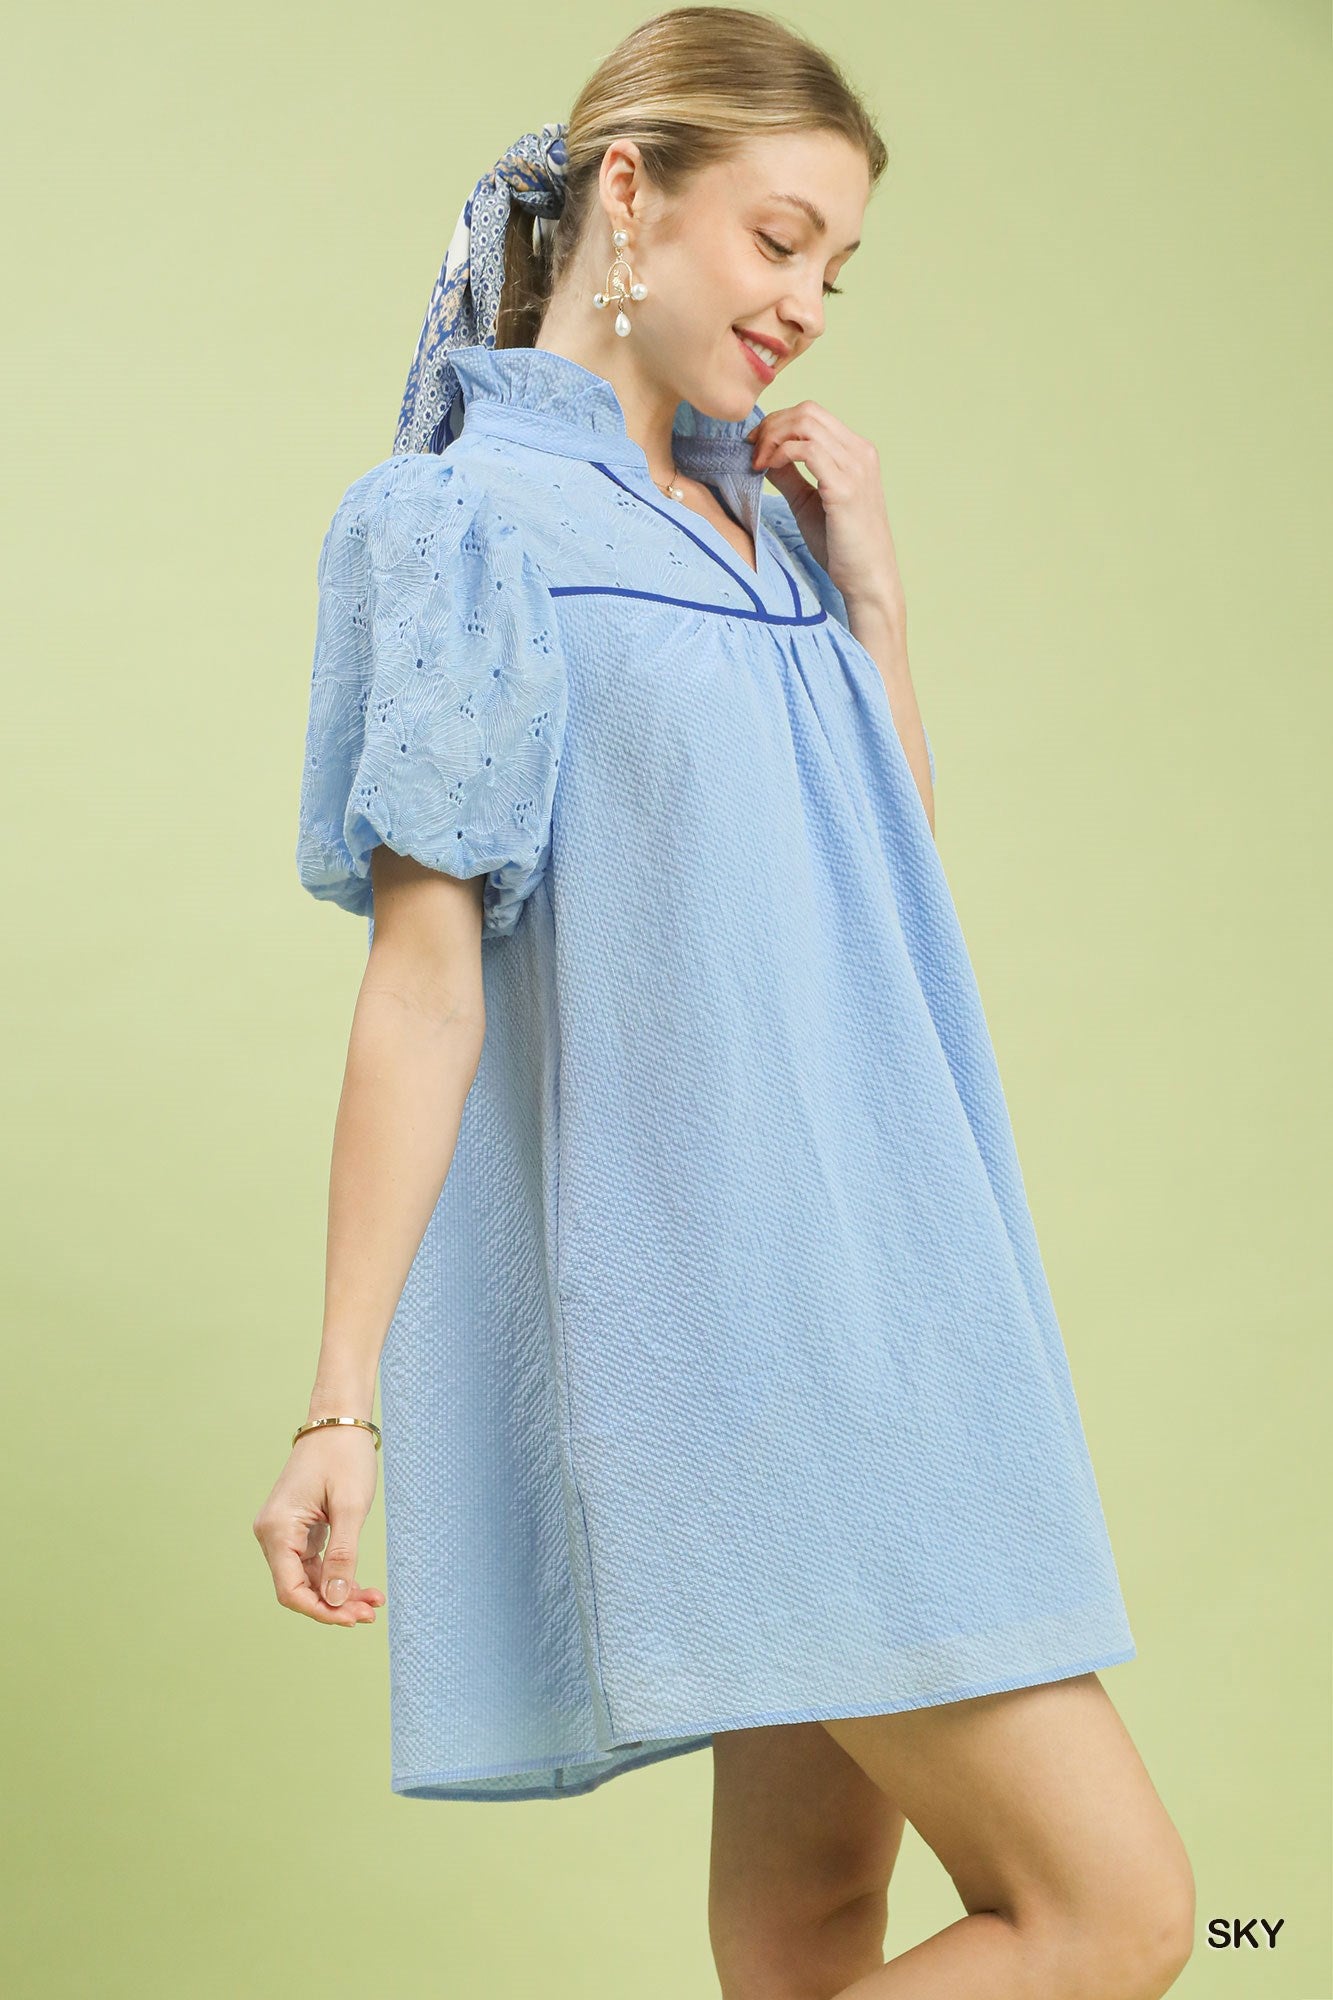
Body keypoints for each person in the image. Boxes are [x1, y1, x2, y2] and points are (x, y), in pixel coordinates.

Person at [253, 8, 1195, 1995]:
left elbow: (880, 891)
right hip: (755, 1346)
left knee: (807, 1942)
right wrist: (340, 1396)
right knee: (1114, 1915)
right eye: (779, 240)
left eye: (835, 269)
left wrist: (873, 601)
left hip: (898, 1295)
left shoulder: (759, 524)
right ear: (629, 194)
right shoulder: (464, 525)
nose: (806, 304)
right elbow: (423, 991)